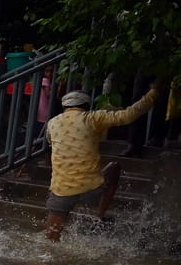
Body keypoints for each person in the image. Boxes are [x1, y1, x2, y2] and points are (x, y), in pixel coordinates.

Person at [42, 80, 165, 240]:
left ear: (65, 107)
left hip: (61, 189)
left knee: (51, 238)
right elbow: (128, 115)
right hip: (91, 187)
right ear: (87, 106)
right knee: (114, 168)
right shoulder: (93, 118)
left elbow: (52, 142)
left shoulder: (52, 123)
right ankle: (99, 216)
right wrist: (153, 93)